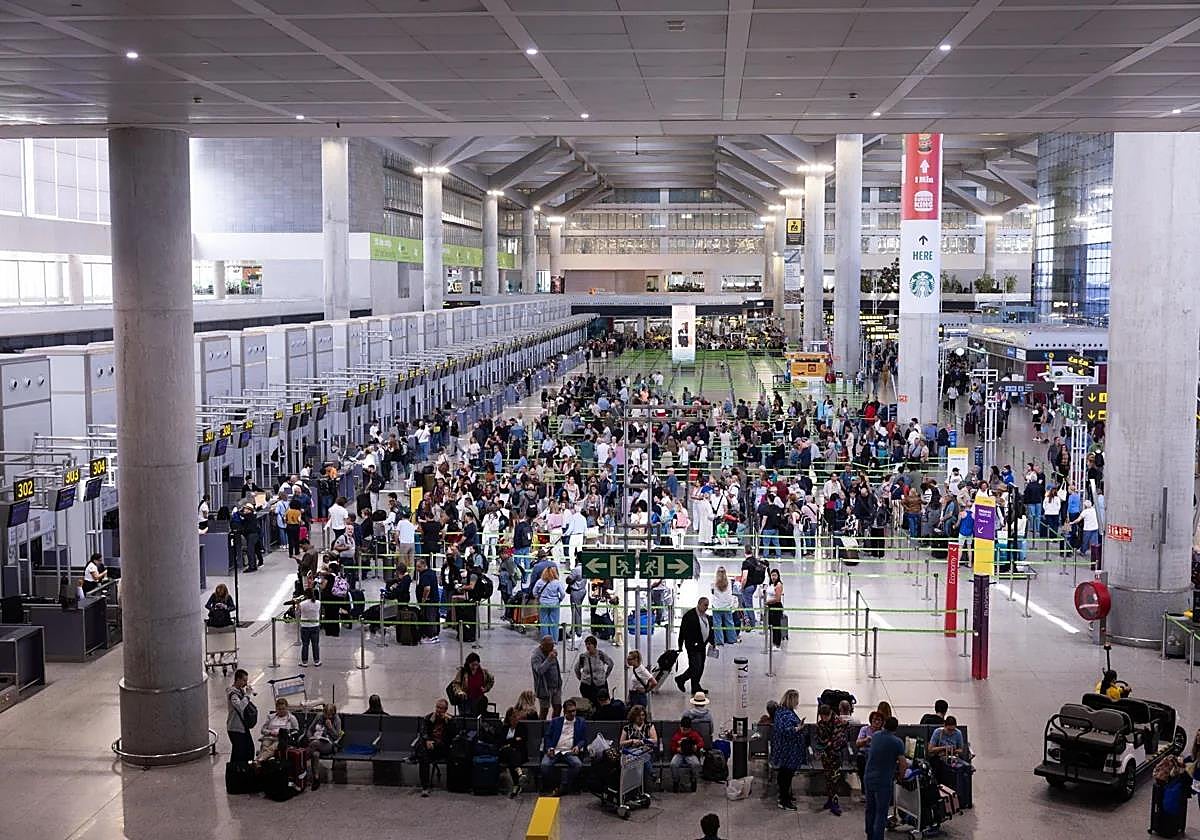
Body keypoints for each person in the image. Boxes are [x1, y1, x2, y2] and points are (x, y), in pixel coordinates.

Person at [863, 717, 908, 840]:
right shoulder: (897, 742)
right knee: (881, 812)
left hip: (868, 777)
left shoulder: (876, 736)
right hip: (883, 781)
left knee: (870, 809)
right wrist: (901, 777)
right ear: (896, 728)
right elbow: (903, 764)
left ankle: (869, 835)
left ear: (884, 724)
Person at [540, 698, 587, 795]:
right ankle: (553, 784)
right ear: (564, 711)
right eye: (570, 712)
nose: (573, 714)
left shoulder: (581, 722)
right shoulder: (556, 722)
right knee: (545, 765)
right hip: (556, 749)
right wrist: (549, 748)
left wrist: (578, 746)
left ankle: (564, 785)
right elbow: (547, 736)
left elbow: (583, 739)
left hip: (569, 751)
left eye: (574, 711)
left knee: (577, 764)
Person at [771, 689, 806, 811]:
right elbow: (785, 731)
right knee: (785, 775)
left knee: (787, 775)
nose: (798, 702)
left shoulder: (785, 712)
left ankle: (786, 795)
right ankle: (784, 799)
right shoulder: (784, 714)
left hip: (789, 750)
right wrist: (798, 728)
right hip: (787, 751)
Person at [416, 698, 458, 797]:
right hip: (430, 746)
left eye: (441, 708)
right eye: (437, 707)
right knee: (424, 755)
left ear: (445, 710)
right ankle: (425, 787)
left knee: (425, 751)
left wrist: (448, 722)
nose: (438, 710)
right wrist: (427, 740)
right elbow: (424, 732)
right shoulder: (429, 718)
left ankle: (416, 755)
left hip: (443, 747)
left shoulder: (450, 720)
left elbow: (454, 734)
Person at [675, 597, 715, 694]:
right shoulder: (689, 616)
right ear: (699, 604)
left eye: (707, 605)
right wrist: (680, 645)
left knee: (701, 667)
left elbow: (709, 631)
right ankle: (681, 679)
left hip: (702, 646)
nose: (706, 607)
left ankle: (695, 686)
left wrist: (713, 642)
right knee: (695, 667)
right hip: (692, 646)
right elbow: (682, 631)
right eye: (705, 605)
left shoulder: (707, 617)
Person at [814, 703, 848, 816]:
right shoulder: (820, 724)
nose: (823, 719)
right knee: (828, 777)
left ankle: (835, 803)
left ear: (830, 714)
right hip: (826, 755)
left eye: (825, 716)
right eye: (822, 716)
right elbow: (819, 738)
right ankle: (829, 799)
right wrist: (823, 745)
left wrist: (829, 743)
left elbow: (838, 738)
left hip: (835, 755)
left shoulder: (838, 722)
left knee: (835, 778)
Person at [619, 703, 658, 790]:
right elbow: (621, 743)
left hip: (646, 751)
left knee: (642, 756)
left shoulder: (649, 726)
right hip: (631, 752)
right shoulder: (627, 728)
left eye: (643, 715)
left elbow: (655, 740)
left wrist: (642, 741)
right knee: (639, 757)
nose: (641, 717)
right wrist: (632, 741)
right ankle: (651, 774)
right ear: (633, 716)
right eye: (639, 715)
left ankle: (640, 788)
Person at [305, 703, 342, 790]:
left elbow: (337, 737)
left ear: (333, 714)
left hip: (329, 744)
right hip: (315, 742)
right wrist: (310, 737)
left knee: (314, 744)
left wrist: (330, 728)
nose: (327, 717)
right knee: (315, 754)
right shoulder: (319, 716)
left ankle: (299, 765)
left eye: (330, 715)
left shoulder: (337, 720)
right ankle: (316, 779)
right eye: (326, 714)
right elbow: (310, 729)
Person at [450, 652, 495, 716]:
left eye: (476, 665)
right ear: (468, 663)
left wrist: (486, 689)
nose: (474, 667)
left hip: (478, 700)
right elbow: (456, 684)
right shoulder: (462, 672)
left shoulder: (484, 672)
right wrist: (460, 692)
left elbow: (491, 680)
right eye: (472, 665)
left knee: (478, 718)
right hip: (465, 701)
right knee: (467, 719)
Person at [226, 668, 256, 764]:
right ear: (238, 679)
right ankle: (236, 772)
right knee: (239, 753)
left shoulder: (240, 690)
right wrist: (247, 695)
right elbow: (240, 706)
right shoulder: (233, 693)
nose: (245, 683)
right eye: (244, 680)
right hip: (235, 728)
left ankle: (244, 770)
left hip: (243, 726)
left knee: (249, 749)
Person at [573, 635, 614, 704]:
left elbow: (611, 664)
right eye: (586, 644)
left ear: (594, 645)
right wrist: (582, 678)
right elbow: (576, 668)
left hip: (600, 684)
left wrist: (605, 676)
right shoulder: (583, 656)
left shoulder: (601, 655)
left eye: (589, 644)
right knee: (588, 705)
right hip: (587, 686)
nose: (587, 646)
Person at [670, 715, 706, 792]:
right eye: (684, 729)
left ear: (690, 728)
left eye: (687, 730)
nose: (685, 731)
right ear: (680, 727)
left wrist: (696, 746)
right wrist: (677, 749)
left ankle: (693, 780)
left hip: (690, 754)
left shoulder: (694, 734)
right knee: (673, 764)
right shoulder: (677, 736)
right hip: (679, 754)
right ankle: (676, 781)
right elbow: (672, 747)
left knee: (696, 764)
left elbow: (701, 742)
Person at [499, 705, 529, 797]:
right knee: (510, 752)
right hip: (505, 753)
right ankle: (519, 774)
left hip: (519, 753)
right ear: (509, 718)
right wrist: (514, 741)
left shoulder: (522, 727)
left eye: (516, 717)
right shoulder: (504, 728)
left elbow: (522, 740)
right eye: (513, 717)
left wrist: (510, 743)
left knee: (512, 757)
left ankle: (516, 785)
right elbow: (500, 741)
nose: (516, 719)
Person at [531, 635, 563, 719]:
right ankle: (541, 727)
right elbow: (539, 671)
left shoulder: (551, 651)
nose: (552, 647)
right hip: (544, 688)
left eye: (553, 645)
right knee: (544, 710)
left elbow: (556, 668)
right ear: (543, 645)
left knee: (558, 707)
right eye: (550, 645)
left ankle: (554, 725)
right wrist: (549, 659)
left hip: (556, 686)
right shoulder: (536, 656)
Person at [258, 697, 299, 761]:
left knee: (271, 748)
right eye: (279, 709)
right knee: (264, 746)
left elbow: (296, 731)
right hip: (269, 737)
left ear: (287, 708)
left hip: (281, 739)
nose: (281, 711)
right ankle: (261, 762)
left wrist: (286, 733)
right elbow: (262, 730)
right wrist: (270, 732)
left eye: (283, 709)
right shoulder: (271, 717)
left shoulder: (291, 718)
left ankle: (259, 760)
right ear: (276, 709)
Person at [533, 565, 566, 641]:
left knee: (544, 623)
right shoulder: (557, 583)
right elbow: (563, 593)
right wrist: (559, 600)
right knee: (554, 623)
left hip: (543, 603)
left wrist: (538, 597)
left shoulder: (540, 581)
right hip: (554, 604)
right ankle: (554, 640)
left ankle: (544, 640)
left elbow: (534, 592)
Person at [854, 710, 885, 793]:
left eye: (879, 720)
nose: (876, 722)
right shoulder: (864, 729)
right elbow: (857, 743)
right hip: (864, 754)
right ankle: (865, 790)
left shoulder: (883, 732)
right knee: (861, 760)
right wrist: (865, 740)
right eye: (874, 720)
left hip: (877, 755)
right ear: (871, 720)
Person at [709, 566, 737, 645]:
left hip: (717, 605)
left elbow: (712, 592)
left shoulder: (713, 582)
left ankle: (719, 641)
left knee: (717, 624)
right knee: (729, 623)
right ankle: (732, 639)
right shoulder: (729, 581)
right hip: (727, 605)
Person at [298, 588, 322, 667]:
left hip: (305, 626)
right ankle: (317, 661)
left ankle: (304, 662)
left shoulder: (302, 604)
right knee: (315, 644)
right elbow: (319, 612)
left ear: (305, 595)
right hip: (315, 626)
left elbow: (297, 614)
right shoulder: (318, 603)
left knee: (305, 644)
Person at [765, 567, 785, 649]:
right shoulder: (771, 584)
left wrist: (767, 602)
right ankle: (773, 642)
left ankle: (777, 644)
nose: (773, 577)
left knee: (776, 626)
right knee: (771, 625)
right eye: (772, 575)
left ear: (778, 576)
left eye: (775, 575)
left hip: (776, 607)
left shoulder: (779, 585)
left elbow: (777, 599)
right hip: (770, 607)